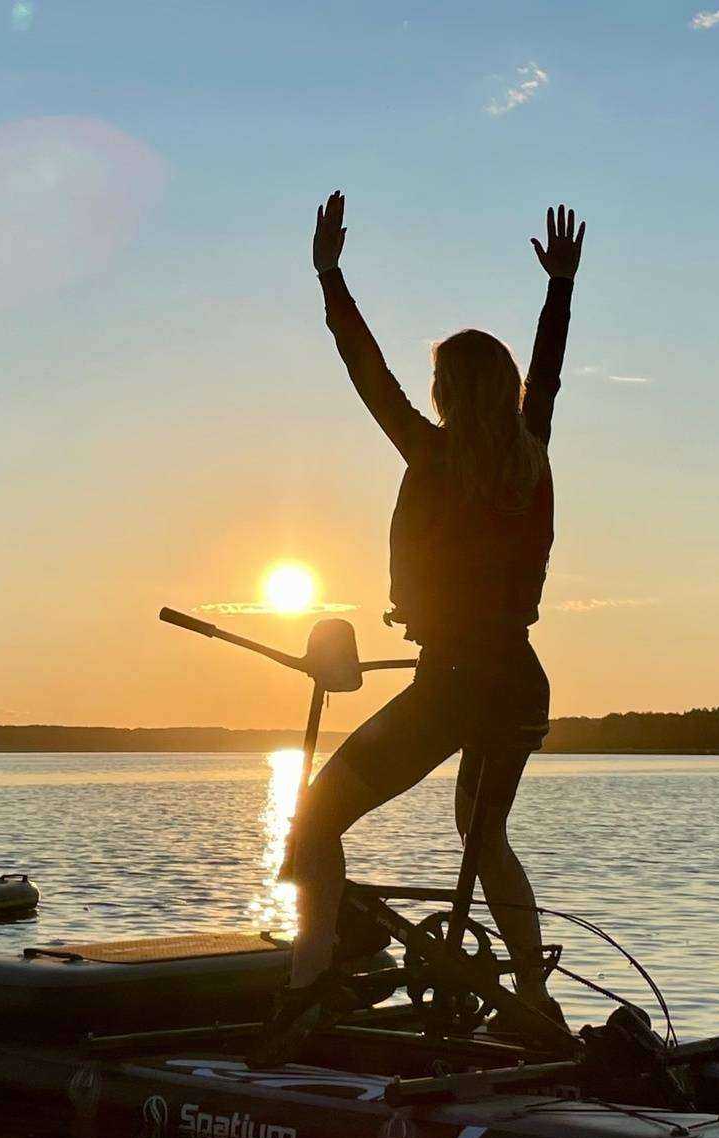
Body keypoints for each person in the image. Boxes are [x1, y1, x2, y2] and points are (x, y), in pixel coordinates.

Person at [251, 196, 584, 1066]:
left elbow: (367, 375)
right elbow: (547, 379)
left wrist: (329, 275)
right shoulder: (531, 451)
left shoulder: (431, 455)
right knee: (484, 833)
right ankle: (531, 991)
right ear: (504, 392)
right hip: (521, 678)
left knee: (317, 819)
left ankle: (307, 988)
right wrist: (559, 290)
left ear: (443, 393)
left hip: (455, 685)